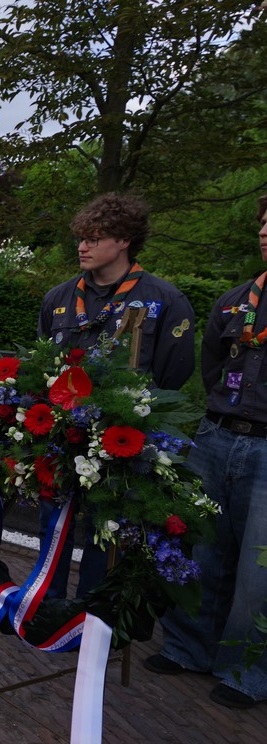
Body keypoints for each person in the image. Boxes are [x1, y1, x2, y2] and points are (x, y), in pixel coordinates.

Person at [37, 193, 195, 598]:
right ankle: (44, 611)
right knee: (52, 525)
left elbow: (173, 375)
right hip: (63, 440)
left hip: (122, 444)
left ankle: (91, 618)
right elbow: (44, 365)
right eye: (81, 238)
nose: (82, 246)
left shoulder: (165, 300)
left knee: (106, 533)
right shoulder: (58, 298)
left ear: (124, 240)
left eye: (94, 238)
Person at [145, 196, 267, 711]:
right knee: (201, 546)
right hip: (217, 436)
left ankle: (246, 671)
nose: (264, 233)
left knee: (259, 569)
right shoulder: (236, 300)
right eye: (263, 224)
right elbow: (214, 366)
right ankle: (188, 647)